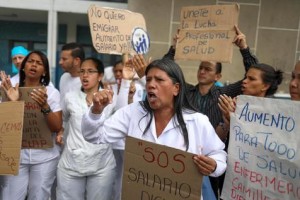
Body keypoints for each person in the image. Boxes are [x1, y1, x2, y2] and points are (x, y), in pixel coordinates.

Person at [81, 58, 227, 200]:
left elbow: (218, 154)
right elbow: (94, 136)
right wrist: (96, 111)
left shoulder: (197, 121)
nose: (151, 84)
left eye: (159, 80)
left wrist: (213, 165)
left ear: (176, 88)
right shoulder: (132, 113)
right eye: (148, 79)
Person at [164, 25, 258, 198]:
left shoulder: (225, 93)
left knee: (212, 193)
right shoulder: (186, 92)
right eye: (201, 67)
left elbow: (253, 76)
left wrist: (244, 48)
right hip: (184, 154)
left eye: (208, 69)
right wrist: (174, 47)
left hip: (212, 157)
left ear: (218, 77)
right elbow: (165, 73)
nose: (202, 71)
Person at [0, 51, 62, 200]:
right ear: (23, 67)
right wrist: (10, 102)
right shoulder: (11, 91)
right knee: (10, 196)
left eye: (39, 63)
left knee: (39, 195)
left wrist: (45, 106)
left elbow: (56, 127)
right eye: (30, 61)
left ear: (45, 71)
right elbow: (4, 123)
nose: (34, 65)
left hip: (44, 157)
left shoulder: (51, 93)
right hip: (15, 155)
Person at [218, 63, 283, 198]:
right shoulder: (236, 104)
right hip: (233, 177)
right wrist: (227, 121)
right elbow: (217, 138)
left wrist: (237, 121)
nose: (244, 81)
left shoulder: (276, 114)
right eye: (245, 77)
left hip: (260, 181)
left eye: (251, 79)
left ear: (265, 86)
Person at [56, 58, 116, 200]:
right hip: (72, 163)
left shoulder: (110, 98)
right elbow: (63, 119)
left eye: (90, 71)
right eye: (82, 71)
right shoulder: (70, 97)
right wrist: (61, 131)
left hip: (102, 165)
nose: (85, 75)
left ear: (100, 76)